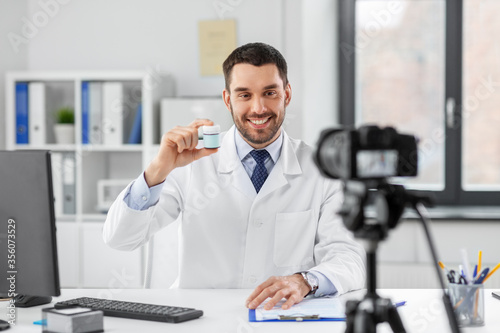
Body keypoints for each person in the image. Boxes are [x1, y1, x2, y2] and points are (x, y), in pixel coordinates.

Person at [103, 42, 365, 311]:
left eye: (270, 92)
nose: (258, 108)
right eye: (244, 95)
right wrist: (158, 169)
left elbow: (349, 258)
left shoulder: (323, 170)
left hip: (280, 317)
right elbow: (120, 239)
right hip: (202, 319)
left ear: (287, 94)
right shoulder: (190, 163)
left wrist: (305, 281)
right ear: (228, 99)